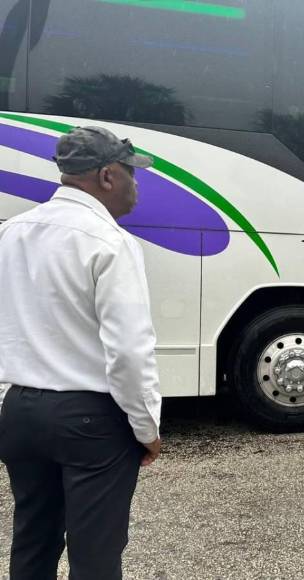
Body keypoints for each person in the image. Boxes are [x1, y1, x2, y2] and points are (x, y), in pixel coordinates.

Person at [0, 126, 162, 579]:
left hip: (20, 414)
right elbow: (129, 352)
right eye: (132, 173)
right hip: (89, 421)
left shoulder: (11, 232)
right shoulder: (110, 242)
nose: (137, 185)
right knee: (95, 556)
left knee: (32, 541)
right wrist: (146, 427)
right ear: (108, 176)